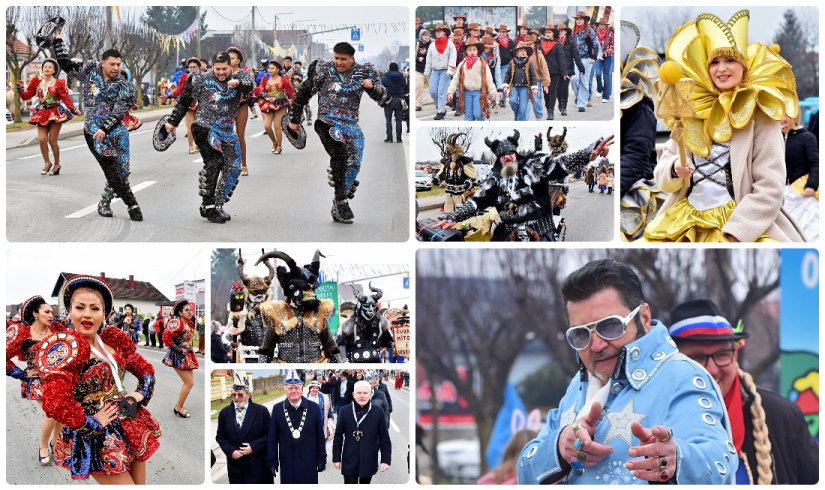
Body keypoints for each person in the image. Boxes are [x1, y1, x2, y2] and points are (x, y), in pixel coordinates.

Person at [517, 260, 736, 484]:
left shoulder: (683, 376)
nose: (596, 345)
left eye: (610, 326)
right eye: (581, 335)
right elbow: (524, 473)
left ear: (644, 317)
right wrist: (560, 446)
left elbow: (720, 464)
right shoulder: (578, 384)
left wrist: (677, 459)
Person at [644, 9, 805, 242]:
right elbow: (662, 172)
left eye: (730, 60)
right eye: (715, 62)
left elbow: (770, 188)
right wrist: (674, 169)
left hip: (744, 224)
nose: (721, 69)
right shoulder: (692, 108)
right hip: (683, 221)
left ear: (744, 67)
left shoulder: (761, 115)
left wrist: (736, 234)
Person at [669, 299, 818, 484]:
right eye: (697, 358)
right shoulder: (649, 419)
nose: (712, 370)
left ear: (736, 355)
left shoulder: (782, 416)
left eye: (722, 354)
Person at [37, 275, 161, 483]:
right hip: (98, 437)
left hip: (129, 423)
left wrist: (139, 394)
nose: (87, 315)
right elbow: (56, 402)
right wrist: (92, 423)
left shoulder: (114, 340)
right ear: (69, 311)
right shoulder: (65, 349)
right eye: (80, 307)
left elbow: (146, 371)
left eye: (95, 308)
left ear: (104, 313)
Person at [434, 130, 613, 241]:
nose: (507, 157)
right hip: (508, 231)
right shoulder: (495, 177)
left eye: (510, 153)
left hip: (540, 229)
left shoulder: (533, 164)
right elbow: (478, 201)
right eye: (502, 155)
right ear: (499, 158)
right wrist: (453, 217)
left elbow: (561, 163)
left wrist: (589, 152)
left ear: (515, 153)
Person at [287, 42, 390, 224]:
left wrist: (371, 88)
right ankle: (342, 201)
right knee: (340, 152)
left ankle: (338, 196)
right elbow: (303, 93)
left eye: (343, 59)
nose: (339, 62)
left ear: (352, 58)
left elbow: (381, 96)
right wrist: (294, 119)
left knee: (355, 162)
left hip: (351, 125)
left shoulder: (364, 71)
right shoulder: (323, 69)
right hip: (327, 121)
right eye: (336, 58)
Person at [51, 31, 143, 221]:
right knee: (111, 167)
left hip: (116, 131)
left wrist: (106, 128)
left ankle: (105, 200)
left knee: (123, 170)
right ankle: (131, 205)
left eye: (119, 64)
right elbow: (66, 65)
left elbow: (119, 112)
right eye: (112, 64)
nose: (116, 68)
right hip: (93, 132)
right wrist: (58, 41)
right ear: (103, 62)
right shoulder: (89, 72)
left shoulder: (125, 86)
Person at [165, 51, 254, 224]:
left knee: (235, 167)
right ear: (212, 66)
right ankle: (209, 205)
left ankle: (218, 204)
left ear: (231, 66)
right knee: (214, 160)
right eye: (218, 69)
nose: (221, 72)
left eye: (225, 69)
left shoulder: (240, 75)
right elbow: (184, 101)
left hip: (227, 130)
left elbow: (250, 86)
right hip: (204, 127)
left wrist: (239, 84)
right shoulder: (200, 80)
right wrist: (172, 122)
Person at [6, 295, 66, 465]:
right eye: (46, 312)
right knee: (52, 412)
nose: (51, 315)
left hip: (59, 379)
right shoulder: (22, 333)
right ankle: (43, 446)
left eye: (51, 312)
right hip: (37, 381)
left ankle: (56, 443)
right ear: (35, 314)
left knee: (60, 413)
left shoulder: (57, 329)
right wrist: (23, 374)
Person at [256, 250, 345, 363]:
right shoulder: (277, 314)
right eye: (305, 290)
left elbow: (330, 346)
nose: (309, 294)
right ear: (292, 291)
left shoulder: (318, 313)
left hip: (315, 370)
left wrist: (339, 364)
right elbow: (267, 349)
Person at [16, 58, 78, 175]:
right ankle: (47, 162)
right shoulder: (35, 82)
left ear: (54, 70)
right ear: (42, 69)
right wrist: (20, 91)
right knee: (42, 139)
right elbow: (26, 96)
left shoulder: (59, 83)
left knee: (52, 141)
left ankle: (56, 164)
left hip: (55, 113)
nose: (47, 68)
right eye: (45, 67)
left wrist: (73, 109)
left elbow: (65, 98)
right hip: (41, 113)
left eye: (50, 67)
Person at [267, 370, 327, 483]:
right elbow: (272, 438)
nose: (293, 391)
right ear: (285, 390)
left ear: (302, 389)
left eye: (296, 388)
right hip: (287, 462)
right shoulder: (277, 409)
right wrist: (272, 461)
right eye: (290, 388)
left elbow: (320, 435)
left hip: (309, 461)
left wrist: (321, 458)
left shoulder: (314, 408)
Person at [216, 372, 274, 484]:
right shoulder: (224, 413)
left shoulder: (261, 411)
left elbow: (269, 436)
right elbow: (220, 437)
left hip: (258, 467)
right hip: (235, 468)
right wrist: (230, 451)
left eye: (240, 395)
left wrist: (253, 447)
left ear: (248, 395)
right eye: (233, 395)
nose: (236, 398)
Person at [333, 380, 391, 484]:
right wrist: (336, 458)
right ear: (353, 394)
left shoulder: (378, 412)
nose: (362, 396)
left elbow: (384, 438)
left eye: (365, 393)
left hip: (369, 458)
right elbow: (338, 436)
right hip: (349, 458)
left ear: (370, 394)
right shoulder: (344, 411)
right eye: (359, 393)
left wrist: (385, 460)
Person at [228, 251, 273, 363]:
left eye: (262, 292)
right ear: (249, 292)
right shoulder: (242, 310)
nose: (259, 296)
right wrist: (233, 332)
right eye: (255, 292)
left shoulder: (272, 309)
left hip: (271, 356)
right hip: (250, 356)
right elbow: (231, 331)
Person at [781, 111, 819, 241]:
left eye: (786, 115)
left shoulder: (807, 137)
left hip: (803, 193)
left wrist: (812, 185)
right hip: (784, 194)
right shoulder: (777, 139)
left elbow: (815, 163)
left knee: (808, 231)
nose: (782, 119)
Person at [162, 299, 199, 418]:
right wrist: (179, 350)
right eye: (187, 310)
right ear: (180, 312)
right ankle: (178, 407)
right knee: (189, 382)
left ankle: (179, 405)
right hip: (178, 356)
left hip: (186, 355)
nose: (190, 312)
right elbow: (166, 338)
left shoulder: (189, 323)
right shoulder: (176, 323)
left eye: (191, 310)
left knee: (189, 383)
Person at [446, 37, 496, 121]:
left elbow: (489, 79)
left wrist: (492, 92)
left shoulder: (482, 64)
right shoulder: (462, 64)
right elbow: (455, 79)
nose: (472, 51)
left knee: (478, 114)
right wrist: (450, 92)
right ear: (466, 51)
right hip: (466, 93)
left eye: (474, 49)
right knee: (468, 116)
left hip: (478, 93)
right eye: (469, 50)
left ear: (477, 51)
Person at [340, 283, 392, 362]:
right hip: (356, 362)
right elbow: (342, 344)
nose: (370, 310)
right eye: (367, 306)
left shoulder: (381, 323)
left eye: (373, 306)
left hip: (375, 362)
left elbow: (388, 343)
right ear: (360, 307)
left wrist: (389, 350)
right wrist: (344, 360)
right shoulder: (350, 324)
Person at [226, 47, 255, 176]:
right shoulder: (222, 72)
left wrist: (238, 83)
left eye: (232, 58)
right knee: (225, 136)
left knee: (239, 136)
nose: (230, 60)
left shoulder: (244, 73)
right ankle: (229, 164)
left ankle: (243, 164)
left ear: (238, 60)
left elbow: (251, 85)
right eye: (228, 58)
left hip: (241, 106)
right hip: (225, 107)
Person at [258, 60, 296, 154]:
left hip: (280, 104)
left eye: (272, 68)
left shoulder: (284, 80)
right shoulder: (265, 79)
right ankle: (274, 142)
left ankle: (279, 146)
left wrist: (293, 100)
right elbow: (260, 91)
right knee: (267, 126)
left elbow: (291, 92)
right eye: (269, 68)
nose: (270, 70)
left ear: (278, 69)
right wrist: (262, 96)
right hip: (268, 104)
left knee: (277, 126)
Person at [434, 133, 476, 212]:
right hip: (448, 192)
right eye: (449, 154)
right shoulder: (447, 163)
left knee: (459, 212)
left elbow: (472, 176)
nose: (450, 156)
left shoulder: (464, 162)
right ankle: (448, 219)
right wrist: (438, 180)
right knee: (448, 210)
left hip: (459, 193)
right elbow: (442, 174)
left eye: (452, 154)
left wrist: (468, 183)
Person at [424, 24, 457, 120]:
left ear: (444, 32)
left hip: (445, 70)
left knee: (442, 91)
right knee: (433, 91)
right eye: (437, 31)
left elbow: (452, 58)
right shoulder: (432, 45)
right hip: (434, 70)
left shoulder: (450, 44)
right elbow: (428, 60)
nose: (438, 32)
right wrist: (426, 73)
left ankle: (441, 111)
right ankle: (441, 105)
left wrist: (451, 70)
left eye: (440, 31)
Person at [170, 57, 202, 154]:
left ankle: (198, 145)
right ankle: (191, 146)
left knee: (199, 125)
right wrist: (171, 95)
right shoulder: (184, 77)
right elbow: (180, 90)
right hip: (188, 104)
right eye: (190, 67)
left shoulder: (203, 77)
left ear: (199, 68)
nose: (192, 69)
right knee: (190, 126)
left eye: (195, 67)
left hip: (200, 104)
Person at [569, 11, 599, 112]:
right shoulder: (573, 32)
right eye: (577, 19)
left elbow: (595, 44)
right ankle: (579, 97)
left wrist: (593, 57)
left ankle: (581, 104)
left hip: (587, 59)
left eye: (580, 19)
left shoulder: (589, 31)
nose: (578, 21)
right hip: (576, 59)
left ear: (584, 20)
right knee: (574, 79)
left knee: (584, 81)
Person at [503, 42, 539, 121]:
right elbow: (508, 74)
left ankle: (519, 120)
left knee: (523, 108)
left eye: (525, 51)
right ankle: (518, 115)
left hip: (525, 87)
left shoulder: (529, 62)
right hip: (514, 86)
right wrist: (506, 85)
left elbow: (533, 75)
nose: (523, 52)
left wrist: (534, 87)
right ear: (517, 52)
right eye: (521, 50)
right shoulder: (512, 62)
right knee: (512, 101)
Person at [556, 24, 584, 117]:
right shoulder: (554, 41)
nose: (560, 32)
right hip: (556, 69)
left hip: (567, 68)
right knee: (557, 88)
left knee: (564, 88)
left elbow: (576, 55)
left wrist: (581, 67)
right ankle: (560, 102)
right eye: (559, 30)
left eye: (562, 30)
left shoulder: (571, 41)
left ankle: (563, 106)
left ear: (566, 31)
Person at [537, 26, 565, 121]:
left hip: (554, 72)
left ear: (553, 34)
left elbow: (561, 59)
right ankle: (548, 107)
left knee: (552, 91)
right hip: (543, 72)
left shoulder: (558, 45)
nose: (547, 34)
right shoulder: (540, 45)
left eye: (549, 32)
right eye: (546, 32)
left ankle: (551, 111)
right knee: (546, 92)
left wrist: (564, 72)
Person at [524, 34, 551, 120]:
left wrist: (545, 84)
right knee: (524, 101)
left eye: (530, 44)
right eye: (527, 44)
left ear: (534, 45)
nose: (529, 46)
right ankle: (524, 118)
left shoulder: (538, 55)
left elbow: (544, 69)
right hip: (524, 82)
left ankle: (539, 116)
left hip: (536, 81)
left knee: (536, 100)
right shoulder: (521, 55)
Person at [381, 62, 407, 142]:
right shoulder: (402, 76)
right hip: (399, 100)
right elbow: (405, 86)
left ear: (389, 68)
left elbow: (381, 87)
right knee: (399, 120)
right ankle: (399, 139)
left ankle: (389, 138)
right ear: (397, 68)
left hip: (388, 100)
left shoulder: (385, 76)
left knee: (388, 120)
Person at [593, 18, 614, 104]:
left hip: (607, 56)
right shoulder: (595, 33)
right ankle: (599, 88)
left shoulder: (610, 34)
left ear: (606, 25)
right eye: (600, 25)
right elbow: (593, 45)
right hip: (598, 56)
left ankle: (605, 95)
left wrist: (605, 53)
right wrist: (597, 54)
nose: (601, 26)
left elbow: (613, 46)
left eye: (603, 25)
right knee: (597, 74)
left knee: (606, 76)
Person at [415, 29, 432, 111]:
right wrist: (418, 58)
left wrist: (427, 52)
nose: (426, 37)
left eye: (428, 35)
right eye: (424, 35)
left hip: (430, 69)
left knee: (433, 88)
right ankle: (418, 104)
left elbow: (435, 55)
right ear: (421, 36)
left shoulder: (432, 44)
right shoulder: (417, 44)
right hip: (419, 69)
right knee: (419, 87)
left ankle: (438, 103)